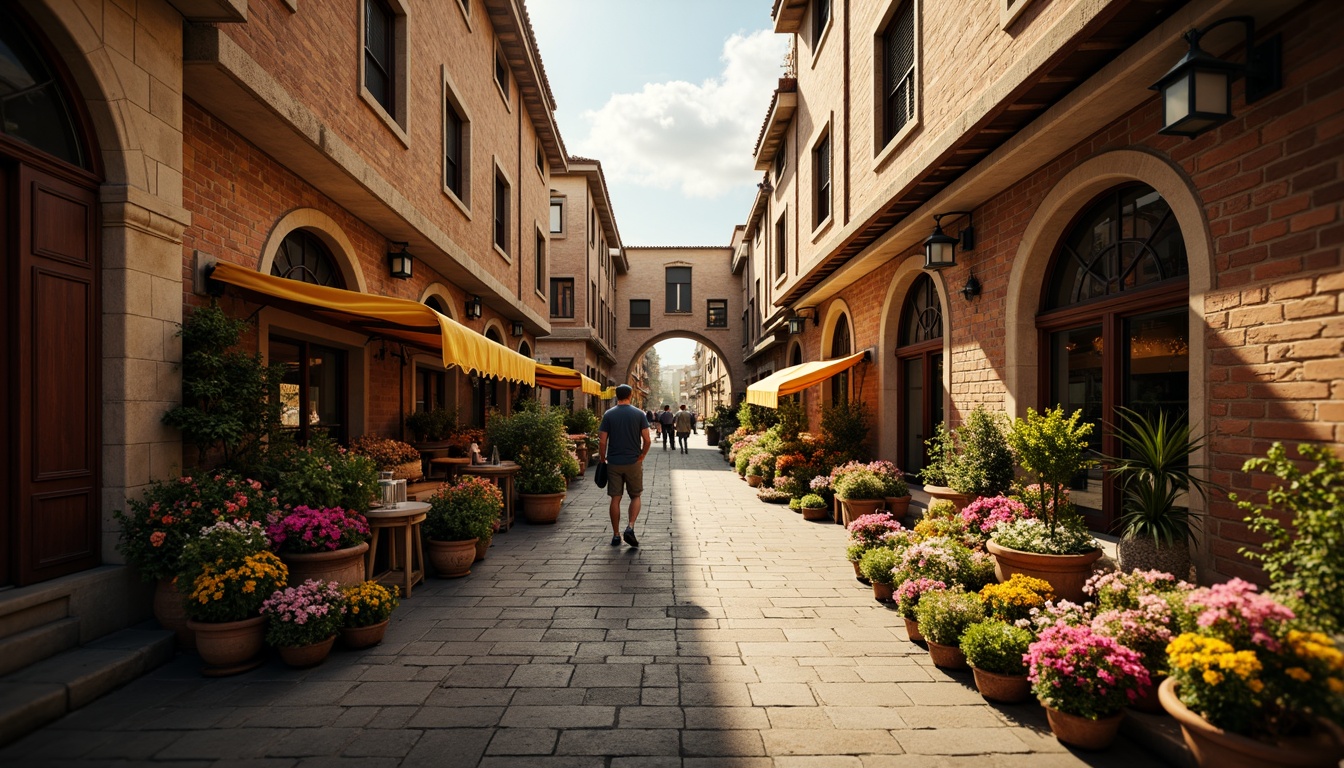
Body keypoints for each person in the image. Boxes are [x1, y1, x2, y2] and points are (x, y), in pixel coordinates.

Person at [599, 384, 651, 548]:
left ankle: (615, 535)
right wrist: (642, 455)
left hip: (613, 462)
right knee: (635, 496)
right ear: (630, 395)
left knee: (615, 498)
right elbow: (647, 440)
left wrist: (602, 459)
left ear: (616, 395)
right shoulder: (639, 414)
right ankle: (630, 526)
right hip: (633, 461)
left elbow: (602, 441)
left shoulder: (608, 414)